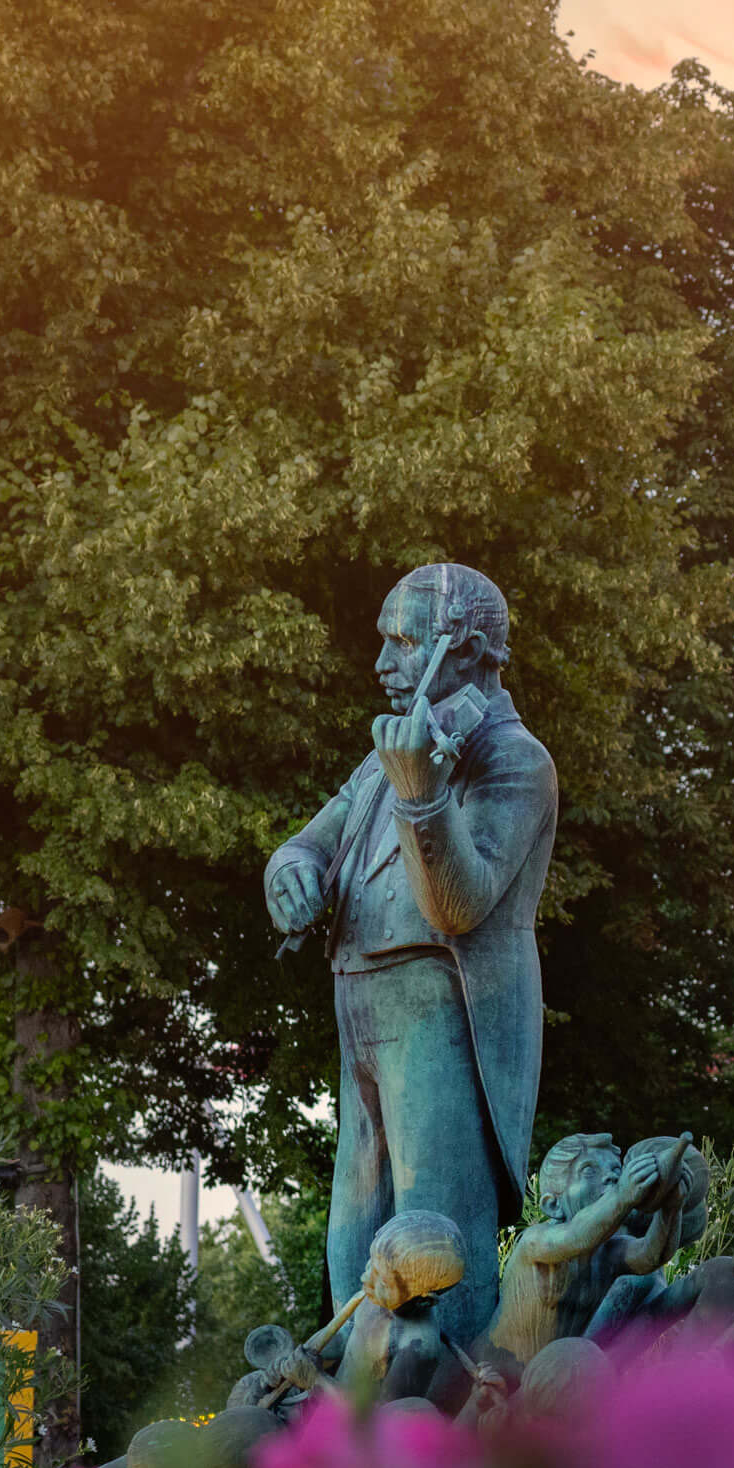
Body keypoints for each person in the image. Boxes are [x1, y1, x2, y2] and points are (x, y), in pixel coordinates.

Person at [264, 564, 555, 1352]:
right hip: (358, 997)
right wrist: (288, 871)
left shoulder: (511, 761)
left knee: (433, 1226)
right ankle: (349, 1407)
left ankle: (442, 1415)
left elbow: (458, 905)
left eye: (403, 642)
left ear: (460, 649)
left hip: (436, 1005)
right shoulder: (390, 752)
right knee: (354, 1228)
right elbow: (312, 841)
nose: (383, 664)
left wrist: (422, 793)